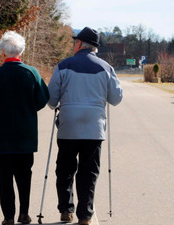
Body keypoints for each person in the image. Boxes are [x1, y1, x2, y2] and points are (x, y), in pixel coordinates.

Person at [47, 27, 123, 225]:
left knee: (64, 169)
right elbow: (116, 98)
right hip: (94, 128)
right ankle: (85, 215)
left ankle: (66, 209)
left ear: (79, 44)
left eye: (75, 42)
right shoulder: (106, 68)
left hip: (68, 126)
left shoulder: (63, 66)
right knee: (88, 172)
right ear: (95, 48)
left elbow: (51, 100)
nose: (74, 45)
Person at [0, 31, 50, 225]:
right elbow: (43, 98)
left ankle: (8, 217)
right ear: (21, 52)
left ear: (2, 52)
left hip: (1, 137)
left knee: (5, 178)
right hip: (25, 136)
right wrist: (29, 107)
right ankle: (24, 214)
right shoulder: (31, 73)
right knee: (25, 176)